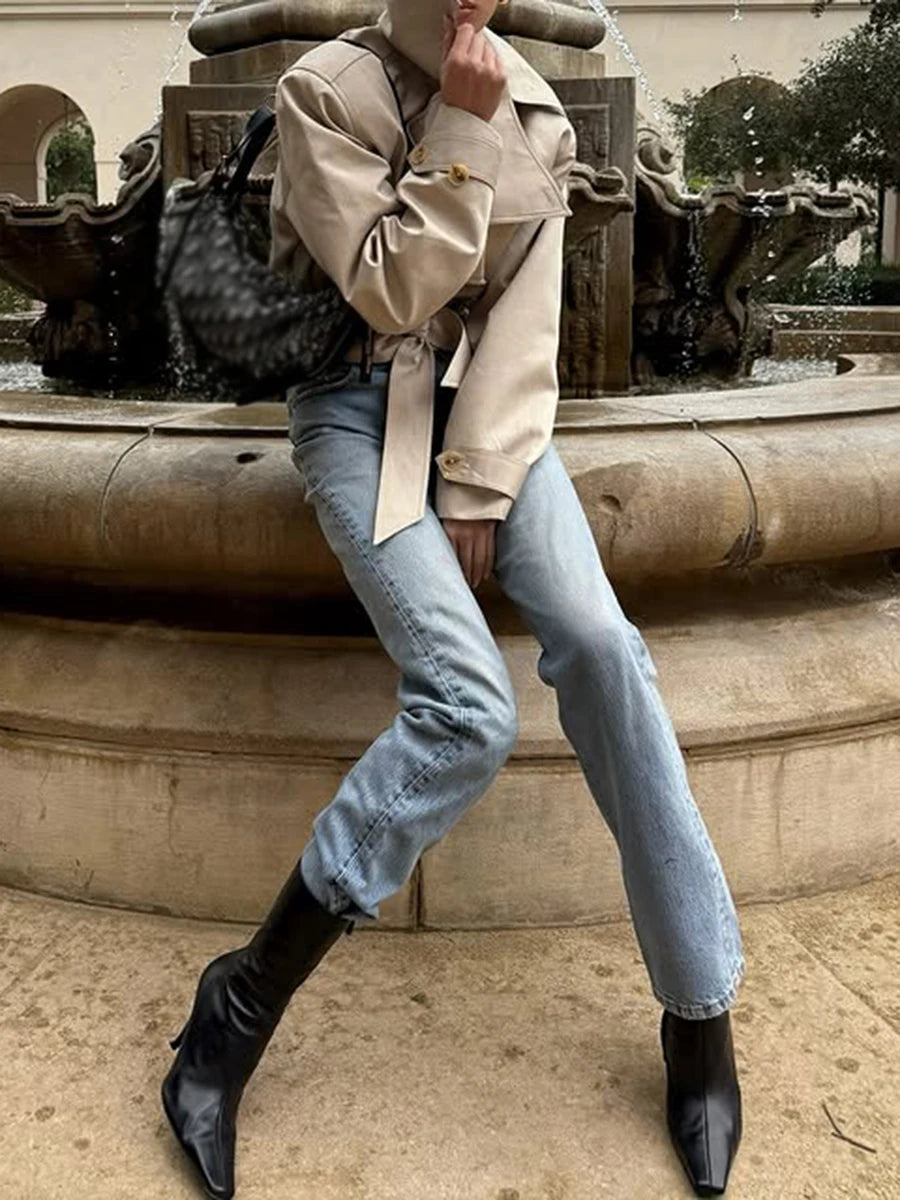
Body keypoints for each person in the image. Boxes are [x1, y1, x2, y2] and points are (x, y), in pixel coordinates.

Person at [161, 2, 746, 1197]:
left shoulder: (537, 99)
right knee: (468, 710)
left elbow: (525, 323)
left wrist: (480, 479)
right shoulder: (324, 89)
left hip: (493, 416)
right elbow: (390, 290)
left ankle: (699, 1013)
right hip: (352, 411)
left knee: (603, 646)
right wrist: (465, 133)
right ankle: (240, 1004)